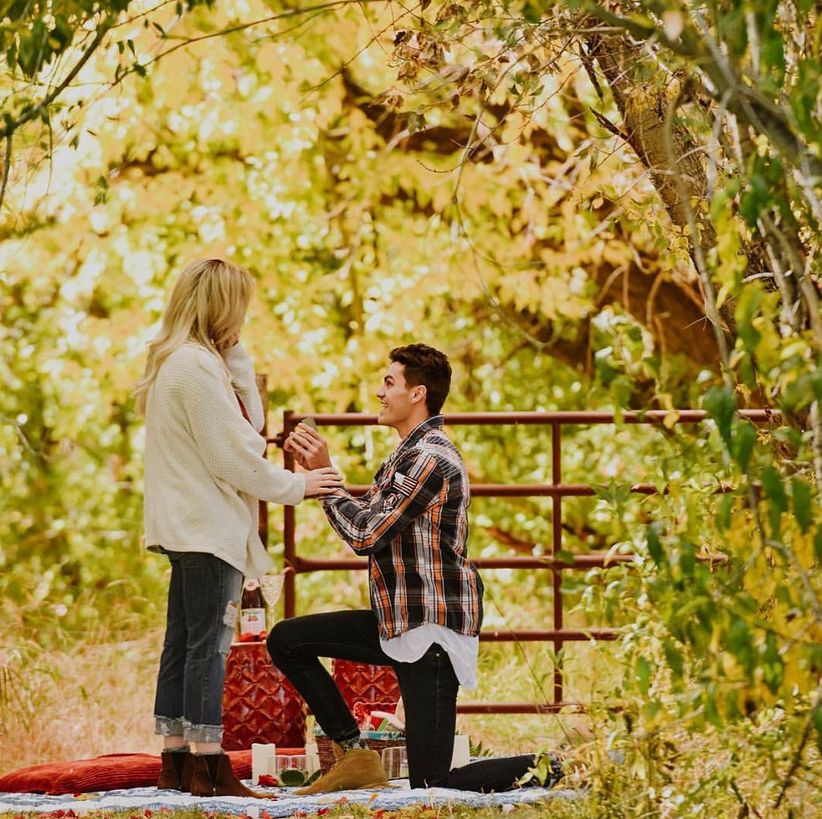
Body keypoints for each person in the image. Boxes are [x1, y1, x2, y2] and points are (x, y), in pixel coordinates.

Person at [268, 343, 562, 793]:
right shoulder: (407, 454)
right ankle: (353, 752)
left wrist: (326, 478)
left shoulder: (429, 458)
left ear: (418, 393)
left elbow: (367, 535)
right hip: (400, 622)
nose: (380, 393)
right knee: (287, 640)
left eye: (389, 383)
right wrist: (326, 477)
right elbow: (371, 519)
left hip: (432, 631)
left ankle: (562, 765)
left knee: (432, 782)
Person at [135, 258, 343, 797]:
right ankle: (210, 763)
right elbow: (239, 450)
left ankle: (177, 760)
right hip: (206, 526)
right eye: (239, 310)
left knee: (182, 642)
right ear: (222, 306)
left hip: (186, 525)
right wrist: (300, 486)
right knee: (210, 645)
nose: (243, 321)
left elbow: (245, 426)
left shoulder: (182, 363)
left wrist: (234, 353)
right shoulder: (196, 368)